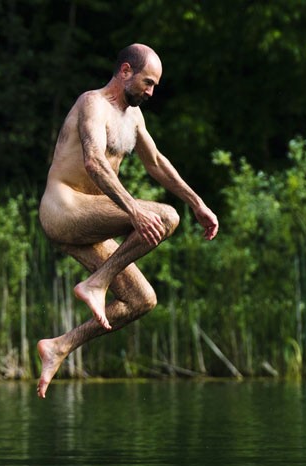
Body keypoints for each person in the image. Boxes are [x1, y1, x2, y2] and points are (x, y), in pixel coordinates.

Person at [36, 43, 219, 398]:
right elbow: (93, 162)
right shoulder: (92, 104)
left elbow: (156, 163)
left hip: (88, 221)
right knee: (165, 216)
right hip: (62, 210)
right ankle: (97, 283)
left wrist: (198, 203)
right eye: (147, 83)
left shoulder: (133, 117)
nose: (150, 92)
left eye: (154, 87)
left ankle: (59, 346)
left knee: (141, 300)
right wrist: (134, 210)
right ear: (125, 72)